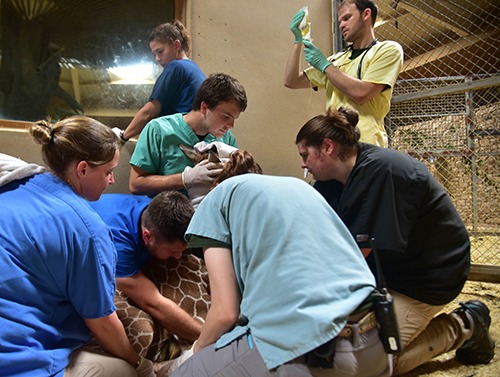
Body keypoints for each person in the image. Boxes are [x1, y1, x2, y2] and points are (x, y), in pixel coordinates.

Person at [0, 116, 154, 377]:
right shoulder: (87, 228)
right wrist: (140, 364)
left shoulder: (4, 187)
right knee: (122, 370)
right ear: (82, 169)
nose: (110, 181)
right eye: (108, 172)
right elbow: (102, 322)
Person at [295, 107, 495, 375]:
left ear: (327, 147)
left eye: (305, 155)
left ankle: (466, 323)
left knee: (376, 364)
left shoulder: (384, 171)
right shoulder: (330, 182)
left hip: (426, 279)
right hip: (386, 273)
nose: (303, 164)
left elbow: (352, 254)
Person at [169, 174, 390, 377]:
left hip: (312, 355)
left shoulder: (211, 207)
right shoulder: (296, 187)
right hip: (378, 342)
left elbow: (225, 312)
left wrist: (193, 352)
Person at [284, 0, 403, 147]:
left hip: (366, 145)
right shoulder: (337, 59)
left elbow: (362, 93)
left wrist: (324, 65)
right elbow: (292, 81)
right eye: (340, 21)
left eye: (347, 18)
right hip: (335, 145)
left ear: (366, 14)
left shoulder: (387, 50)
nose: (341, 25)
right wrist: (298, 41)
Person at [88, 191, 201, 344]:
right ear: (147, 236)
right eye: (173, 251)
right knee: (141, 329)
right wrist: (208, 337)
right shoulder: (116, 246)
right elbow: (153, 303)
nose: (178, 256)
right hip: (91, 269)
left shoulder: (153, 210)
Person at [129, 73, 247, 198]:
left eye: (234, 118)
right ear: (204, 107)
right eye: (226, 116)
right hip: (167, 212)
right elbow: (135, 184)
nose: (231, 125)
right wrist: (185, 178)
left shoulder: (226, 139)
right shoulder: (158, 130)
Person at [116, 20, 206, 142]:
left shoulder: (176, 67)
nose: (157, 59)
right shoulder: (194, 69)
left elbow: (149, 112)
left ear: (177, 45)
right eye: (154, 54)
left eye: (160, 51)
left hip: (177, 141)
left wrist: (122, 136)